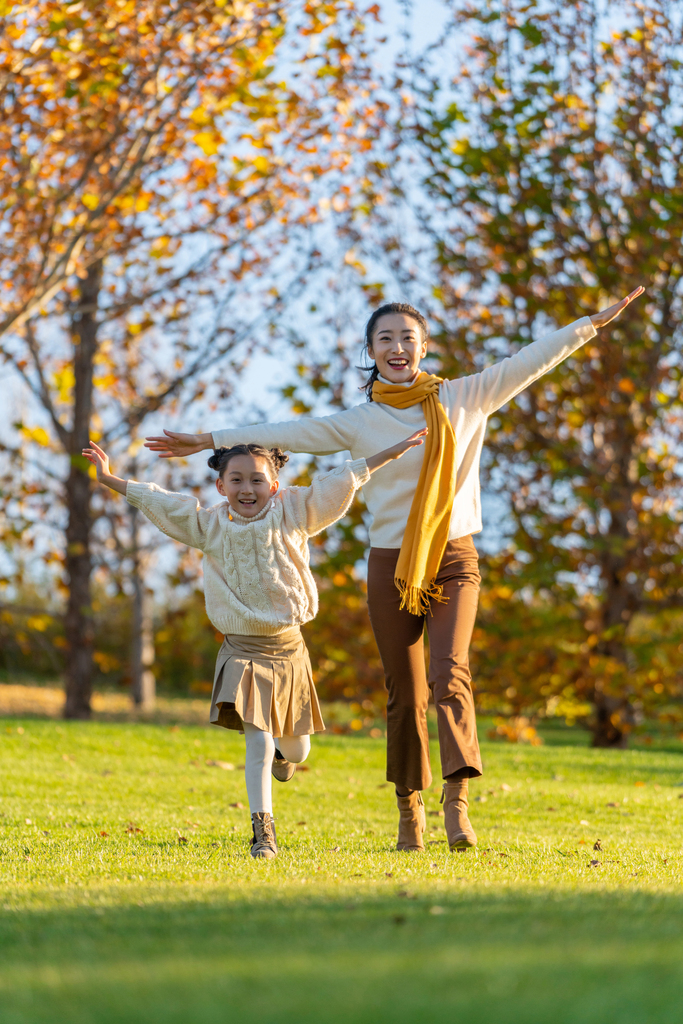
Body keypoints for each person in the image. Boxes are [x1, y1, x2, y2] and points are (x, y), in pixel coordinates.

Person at [145, 285, 644, 853]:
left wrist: (590, 324)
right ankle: (410, 812)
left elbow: (531, 358)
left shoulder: (466, 397)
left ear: (424, 347)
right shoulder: (360, 422)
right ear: (372, 352)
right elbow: (287, 432)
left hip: (453, 557)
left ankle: (456, 805)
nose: (397, 346)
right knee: (404, 690)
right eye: (385, 339)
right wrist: (208, 440)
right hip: (389, 564)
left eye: (408, 337)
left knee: (449, 674)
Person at [82, 430, 427, 859]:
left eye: (257, 480)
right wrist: (110, 479)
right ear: (220, 486)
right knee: (258, 743)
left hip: (288, 649)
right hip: (242, 651)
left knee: (296, 747)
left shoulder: (295, 512)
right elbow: (161, 500)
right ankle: (263, 835)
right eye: (237, 480)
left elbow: (341, 479)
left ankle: (289, 757)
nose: (248, 489)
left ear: (274, 486)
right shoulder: (209, 525)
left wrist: (391, 449)